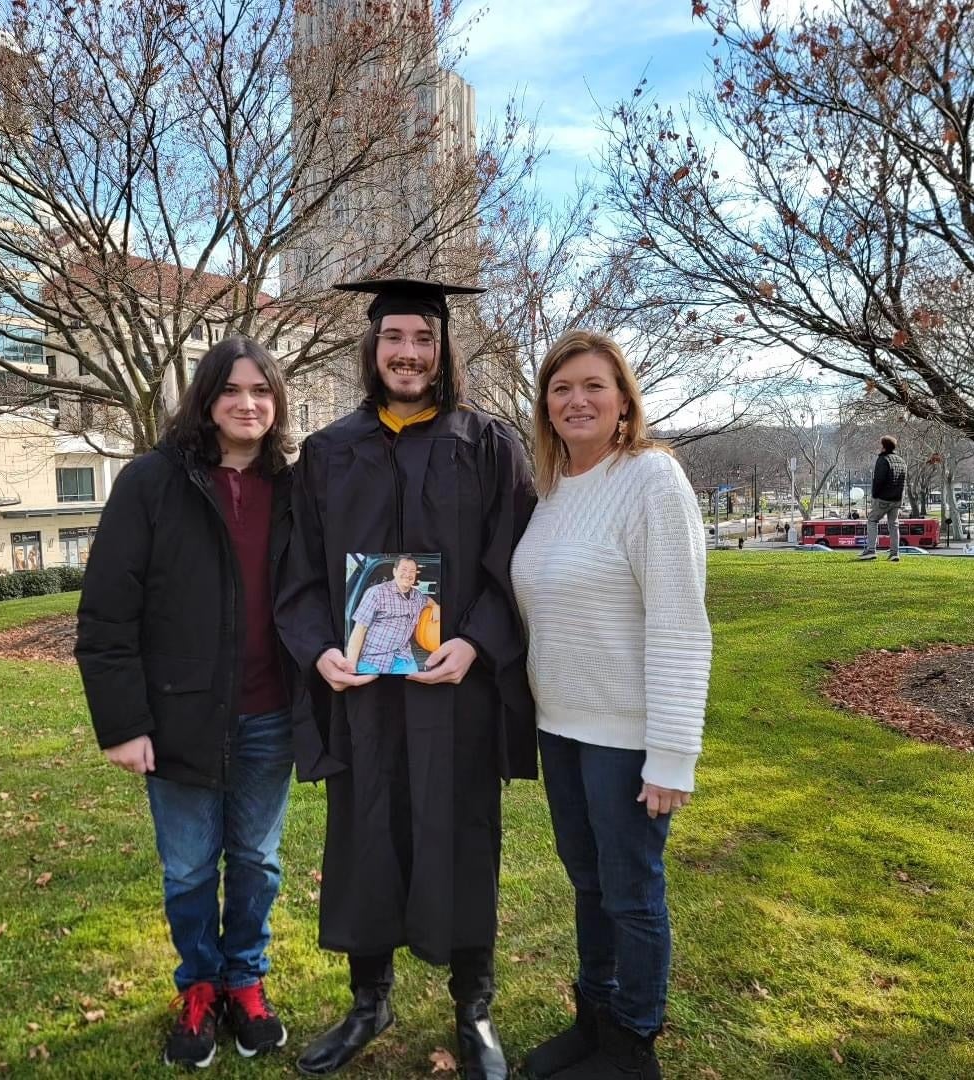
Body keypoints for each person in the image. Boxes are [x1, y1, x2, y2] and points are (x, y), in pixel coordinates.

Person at [275, 278, 536, 1080]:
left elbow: (520, 563)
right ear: (373, 348)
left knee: (462, 832)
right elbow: (297, 573)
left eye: (423, 340)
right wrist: (321, 648)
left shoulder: (488, 444)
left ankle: (475, 1007)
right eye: (394, 338)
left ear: (444, 349)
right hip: (363, 693)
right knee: (367, 833)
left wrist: (480, 644)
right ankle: (369, 999)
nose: (409, 354)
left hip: (451, 689)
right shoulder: (325, 453)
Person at [75, 337, 296, 1068]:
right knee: (192, 869)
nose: (248, 403)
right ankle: (199, 985)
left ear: (277, 402)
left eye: (262, 391)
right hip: (177, 718)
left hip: (270, 714)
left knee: (258, 863)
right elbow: (107, 611)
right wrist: (124, 723)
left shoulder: (294, 489)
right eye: (232, 390)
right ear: (205, 398)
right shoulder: (151, 482)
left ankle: (246, 980)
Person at [510, 330, 712, 1080]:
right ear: (546, 407)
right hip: (559, 726)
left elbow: (679, 622)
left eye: (594, 385)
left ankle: (633, 1045)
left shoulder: (653, 480)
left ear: (624, 399)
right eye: (561, 389)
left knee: (630, 893)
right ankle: (594, 1018)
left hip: (626, 735)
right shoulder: (555, 491)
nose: (577, 400)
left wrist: (672, 755)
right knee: (588, 883)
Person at [346, 555, 437, 675]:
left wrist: (436, 606)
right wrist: (350, 668)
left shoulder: (417, 596)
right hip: (372, 659)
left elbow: (429, 600)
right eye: (404, 569)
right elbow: (359, 630)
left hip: (403, 658)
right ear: (394, 571)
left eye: (412, 571)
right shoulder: (376, 593)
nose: (408, 574)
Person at [858, 435, 908, 562]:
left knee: (872, 520)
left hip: (883, 498)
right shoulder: (901, 461)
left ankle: (871, 550)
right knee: (894, 525)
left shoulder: (882, 460)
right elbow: (903, 482)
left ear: (884, 446)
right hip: (897, 499)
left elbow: (878, 480)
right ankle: (894, 553)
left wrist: (874, 494)